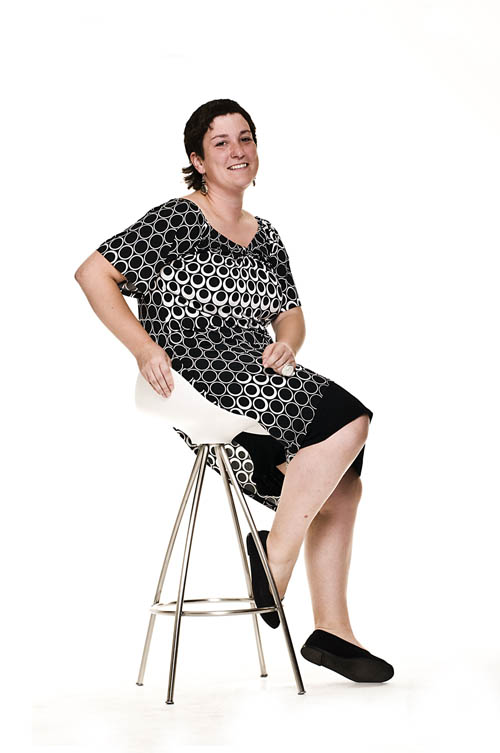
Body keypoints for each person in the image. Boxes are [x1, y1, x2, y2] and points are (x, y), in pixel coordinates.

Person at [75, 98, 394, 683]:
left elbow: (290, 314)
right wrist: (144, 348)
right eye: (220, 142)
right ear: (197, 160)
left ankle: (333, 631)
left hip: (258, 372)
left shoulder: (266, 235)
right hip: (195, 369)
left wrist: (288, 345)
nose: (237, 150)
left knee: (344, 482)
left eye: (245, 138)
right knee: (349, 419)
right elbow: (93, 273)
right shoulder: (177, 219)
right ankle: (274, 561)